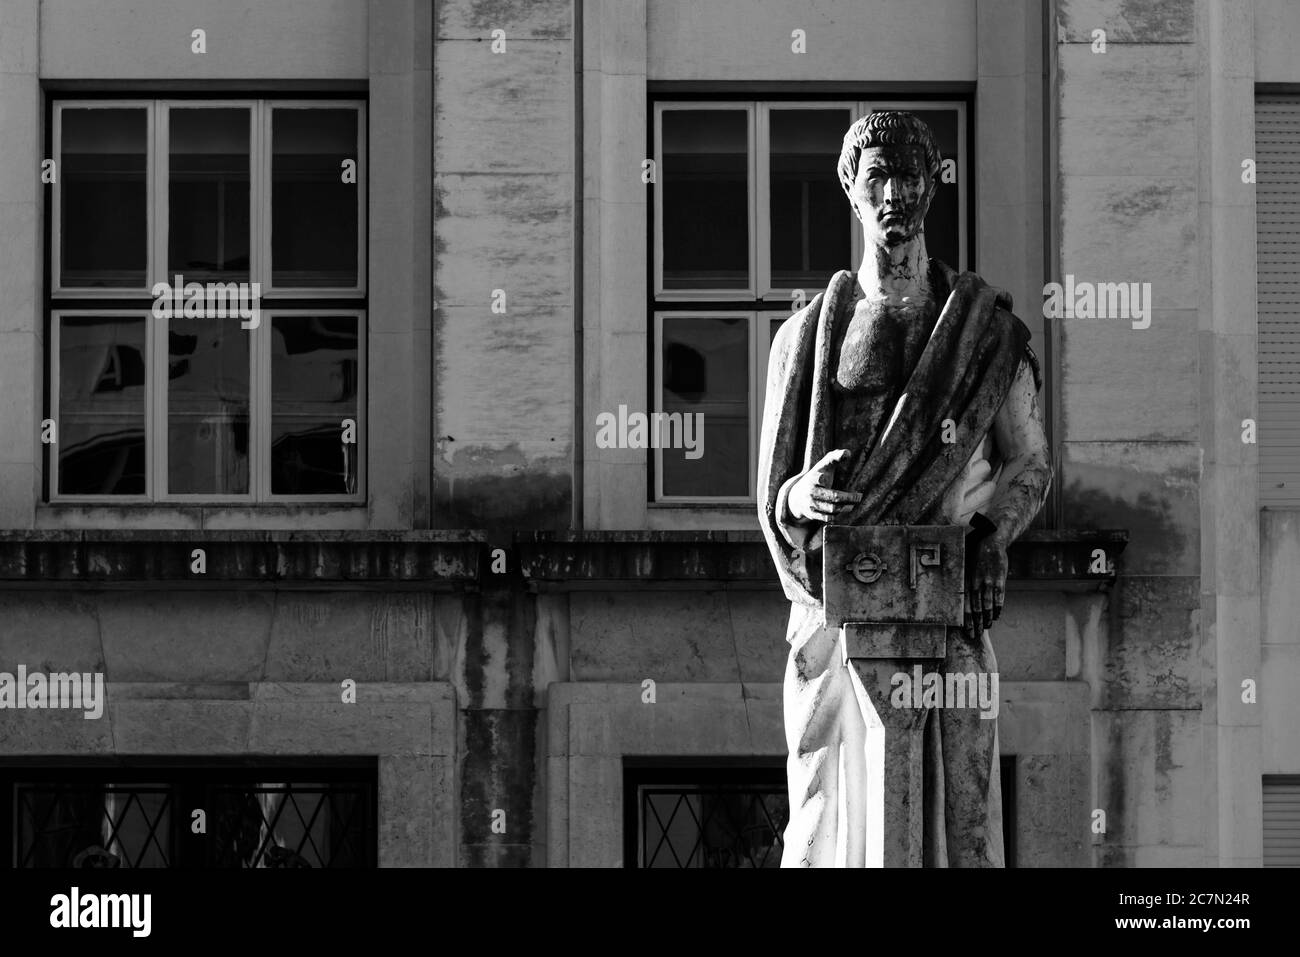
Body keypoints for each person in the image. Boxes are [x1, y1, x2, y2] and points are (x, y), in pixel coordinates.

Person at [757, 111, 1052, 867]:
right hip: (835, 617)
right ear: (850, 187)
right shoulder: (803, 338)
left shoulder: (985, 332)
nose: (895, 193)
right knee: (827, 829)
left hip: (948, 602)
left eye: (911, 177)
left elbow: (1030, 462)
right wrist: (799, 500)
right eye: (878, 176)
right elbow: (773, 491)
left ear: (933, 186)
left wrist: (991, 542)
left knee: (963, 824)